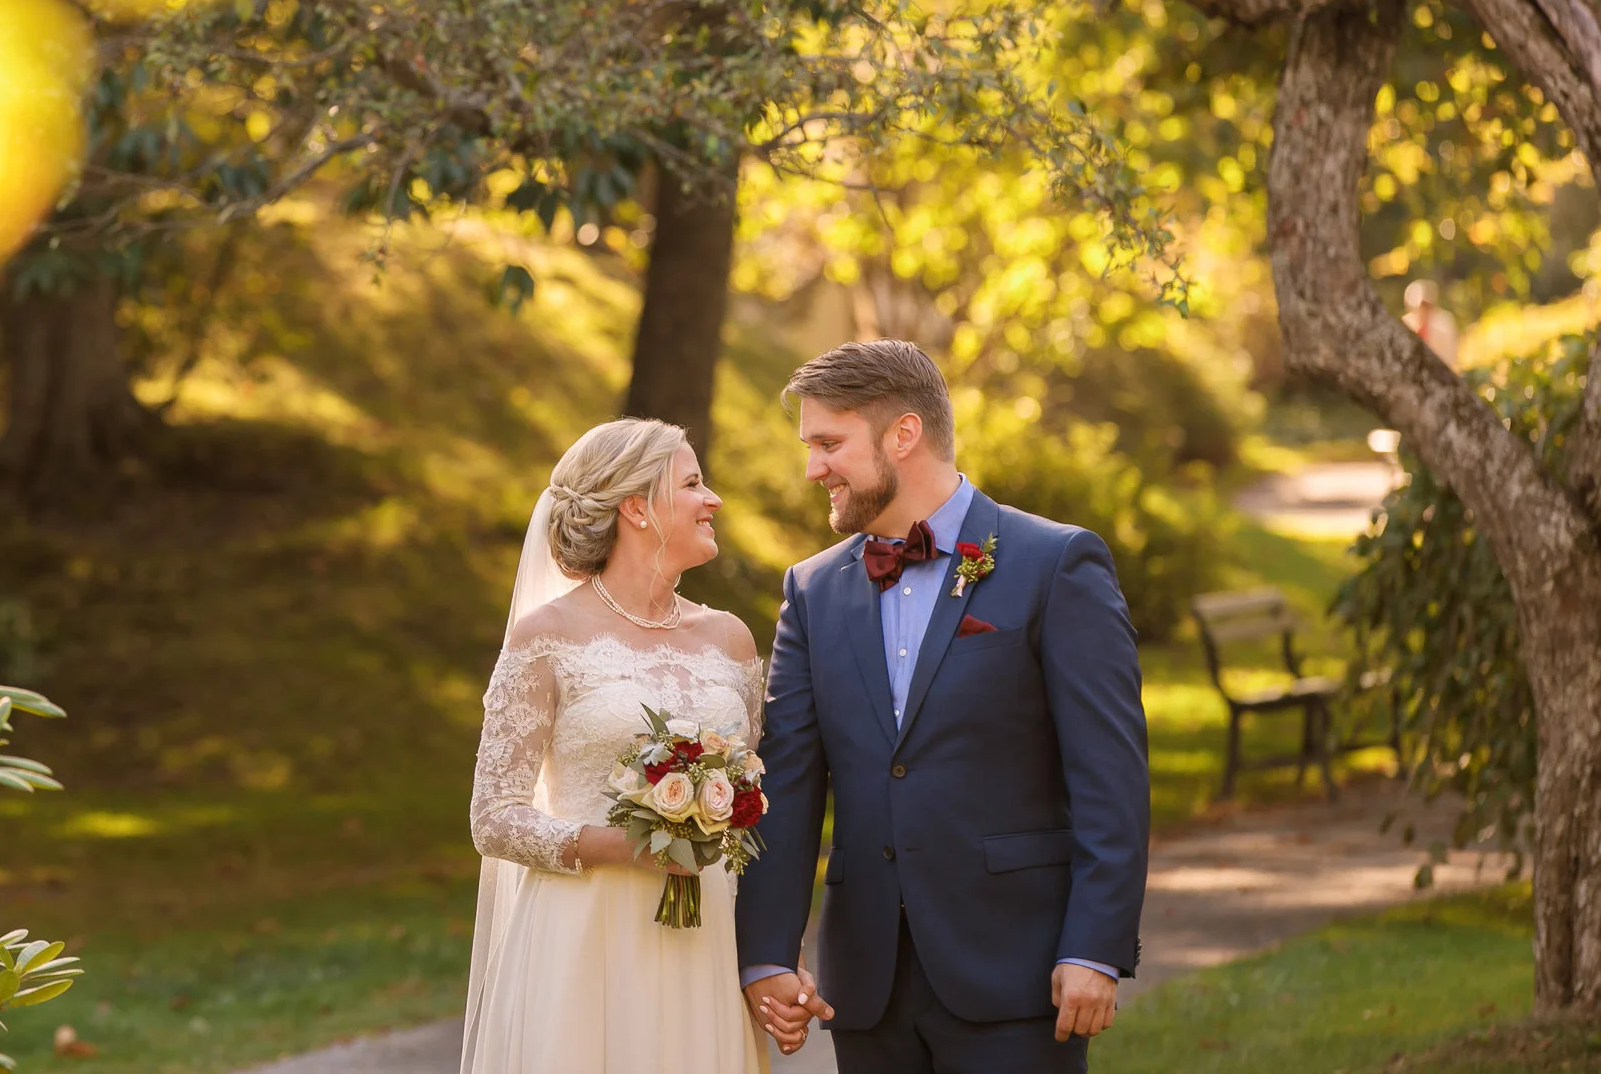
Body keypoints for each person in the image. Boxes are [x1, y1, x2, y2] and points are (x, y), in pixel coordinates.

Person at [739, 341, 1149, 1072]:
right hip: (865, 985)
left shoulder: (1055, 562)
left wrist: (1095, 944)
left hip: (1018, 972)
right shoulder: (811, 591)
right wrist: (767, 953)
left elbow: (1110, 775)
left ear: (904, 433)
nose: (812, 468)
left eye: (829, 443)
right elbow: (790, 782)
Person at [463, 418, 814, 1072]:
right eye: (692, 483)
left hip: (702, 939)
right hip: (584, 937)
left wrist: (774, 953)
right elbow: (493, 816)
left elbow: (753, 813)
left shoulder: (730, 639)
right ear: (635, 506)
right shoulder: (548, 636)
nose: (712, 500)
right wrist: (626, 845)